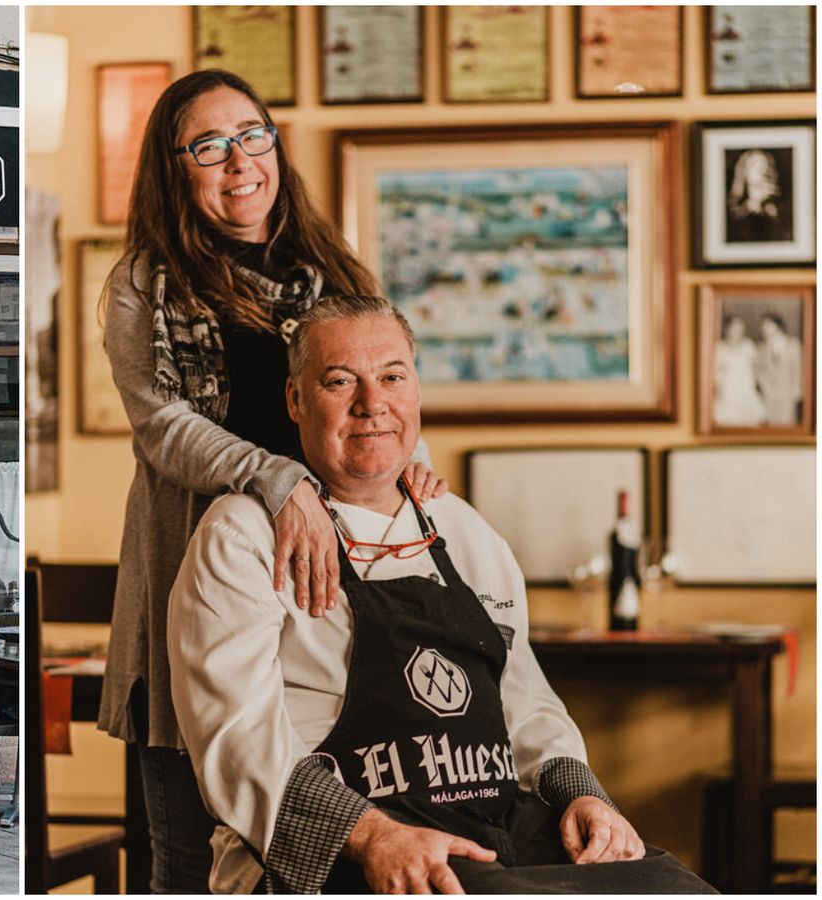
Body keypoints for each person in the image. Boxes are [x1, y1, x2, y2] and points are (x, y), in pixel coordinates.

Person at [167, 294, 716, 894]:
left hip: (495, 832)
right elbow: (236, 740)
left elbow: (523, 699)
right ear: (296, 401)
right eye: (339, 381)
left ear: (417, 393)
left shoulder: (465, 531)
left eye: (392, 377)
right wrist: (375, 835)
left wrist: (581, 794)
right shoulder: (241, 535)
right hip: (349, 847)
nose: (372, 404)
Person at [97, 69, 446, 892]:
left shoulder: (336, 271)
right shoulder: (144, 284)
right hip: (198, 577)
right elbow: (161, 426)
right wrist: (277, 477)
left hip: (324, 598)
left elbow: (379, 390)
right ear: (173, 166)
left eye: (253, 136)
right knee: (189, 858)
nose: (239, 160)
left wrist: (408, 463)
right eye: (209, 146)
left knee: (326, 840)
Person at [713, 315, 765, 427]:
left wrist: (757, 385)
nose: (737, 331)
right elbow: (715, 372)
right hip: (727, 391)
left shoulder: (748, 345)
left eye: (740, 328)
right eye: (734, 328)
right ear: (727, 329)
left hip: (746, 390)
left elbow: (757, 368)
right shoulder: (719, 348)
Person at [756, 312, 803, 426]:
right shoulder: (761, 348)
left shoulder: (794, 345)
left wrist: (797, 392)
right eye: (763, 326)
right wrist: (765, 388)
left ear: (778, 326)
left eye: (767, 325)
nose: (764, 328)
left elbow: (799, 370)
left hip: (788, 393)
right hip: (770, 394)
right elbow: (759, 371)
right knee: (772, 425)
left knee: (788, 423)